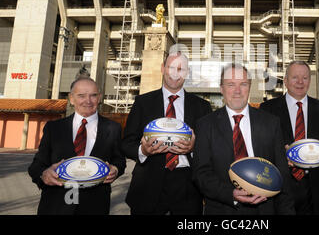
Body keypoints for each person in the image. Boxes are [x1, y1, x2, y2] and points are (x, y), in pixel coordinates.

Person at [192, 63, 295, 215]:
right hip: (223, 210)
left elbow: (282, 173)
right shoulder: (205, 125)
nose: (237, 91)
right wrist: (230, 194)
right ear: (222, 89)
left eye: (243, 84)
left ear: (250, 87)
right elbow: (201, 174)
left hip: (264, 210)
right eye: (231, 84)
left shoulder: (271, 122)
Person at [122, 50, 212, 215]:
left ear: (187, 73)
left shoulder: (202, 107)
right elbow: (127, 143)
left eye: (181, 69)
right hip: (148, 183)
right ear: (163, 68)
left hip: (188, 185)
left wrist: (193, 148)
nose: (175, 74)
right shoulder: (142, 102)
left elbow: (210, 148)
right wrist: (143, 150)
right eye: (171, 68)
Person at [28, 77, 126, 215]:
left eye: (93, 95)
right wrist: (43, 174)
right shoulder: (54, 128)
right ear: (71, 99)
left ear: (99, 98)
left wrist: (115, 169)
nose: (88, 101)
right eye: (81, 95)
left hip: (95, 205)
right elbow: (37, 165)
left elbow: (119, 160)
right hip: (56, 205)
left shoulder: (113, 128)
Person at [260, 60, 319, 215]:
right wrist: (281, 154)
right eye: (295, 77)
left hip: (315, 191)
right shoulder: (267, 109)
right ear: (286, 81)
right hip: (280, 187)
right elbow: (260, 146)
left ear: (310, 80)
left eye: (305, 78)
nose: (300, 82)